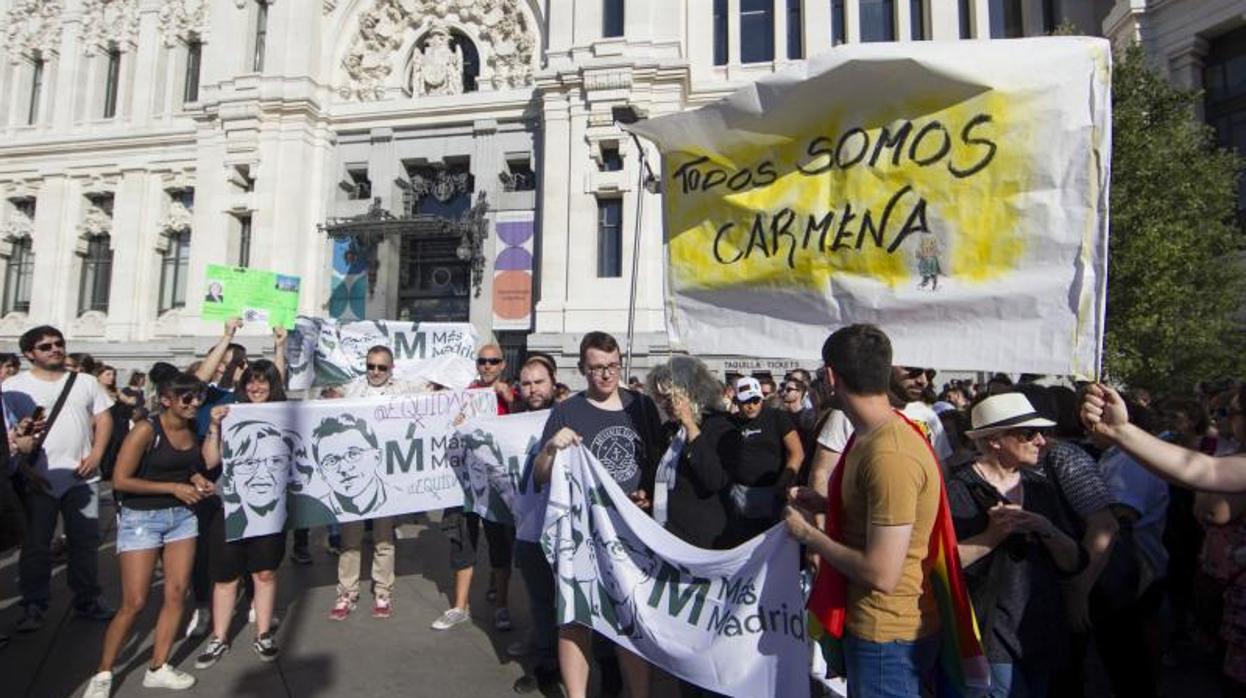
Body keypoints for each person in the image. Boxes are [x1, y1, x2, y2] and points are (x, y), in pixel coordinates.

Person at [784, 324, 942, 697]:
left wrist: (810, 535)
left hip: (888, 638)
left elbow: (882, 572)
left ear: (830, 377)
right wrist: (825, 505)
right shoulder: (869, 436)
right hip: (874, 631)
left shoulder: (890, 453)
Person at [534, 331, 663, 698]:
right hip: (581, 534)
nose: (605, 376)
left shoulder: (642, 406)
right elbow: (539, 476)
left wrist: (649, 495)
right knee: (576, 619)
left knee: (631, 619)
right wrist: (550, 448)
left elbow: (658, 464)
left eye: (611, 367)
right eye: (596, 369)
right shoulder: (566, 411)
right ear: (581, 370)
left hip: (631, 533)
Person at [82, 372, 212, 698]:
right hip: (143, 518)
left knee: (176, 592)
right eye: (187, 398)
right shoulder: (146, 430)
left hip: (183, 516)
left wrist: (196, 479)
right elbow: (121, 480)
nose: (195, 403)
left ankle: (158, 665)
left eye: (198, 397)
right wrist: (174, 487)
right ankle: (104, 671)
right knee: (135, 601)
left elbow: (187, 465)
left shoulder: (192, 427)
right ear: (166, 400)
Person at [947, 393, 1084, 697]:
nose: (1040, 441)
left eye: (1043, 433)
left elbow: (1073, 561)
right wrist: (992, 536)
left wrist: (1047, 529)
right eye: (1028, 433)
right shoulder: (957, 490)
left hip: (1040, 631)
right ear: (994, 440)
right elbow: (941, 563)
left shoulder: (1040, 488)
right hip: (987, 632)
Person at [4, 326, 115, 632]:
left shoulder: (85, 381)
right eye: (45, 346)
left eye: (58, 343)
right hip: (38, 479)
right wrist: (26, 470)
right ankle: (33, 604)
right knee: (36, 545)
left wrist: (96, 455)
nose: (54, 349)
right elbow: (9, 435)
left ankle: (87, 598)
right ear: (30, 354)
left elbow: (104, 419)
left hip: (83, 477)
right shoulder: (14, 386)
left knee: (85, 543)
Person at [195, 359, 290, 668]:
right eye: (250, 381)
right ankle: (219, 637)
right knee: (226, 576)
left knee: (264, 573)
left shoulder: (286, 415)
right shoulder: (229, 414)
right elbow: (210, 463)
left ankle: (263, 633)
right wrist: (213, 426)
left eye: (262, 382)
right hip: (232, 506)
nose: (255, 387)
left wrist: (279, 348)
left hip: (271, 510)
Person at [433, 343, 517, 631]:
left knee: (499, 542)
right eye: (482, 361)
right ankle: (460, 605)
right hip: (464, 482)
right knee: (462, 539)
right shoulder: (464, 394)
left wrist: (512, 402)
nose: (488, 366)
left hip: (495, 484)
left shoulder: (512, 395)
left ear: (503, 364)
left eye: (493, 361)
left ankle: (502, 604)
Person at [329, 345, 409, 621]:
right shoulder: (352, 389)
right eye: (370, 366)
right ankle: (347, 592)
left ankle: (383, 591)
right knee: (349, 539)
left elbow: (430, 403)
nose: (375, 372)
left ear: (391, 369)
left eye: (381, 367)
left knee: (383, 538)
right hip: (353, 478)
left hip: (385, 477)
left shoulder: (403, 390)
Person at [509, 353, 563, 694]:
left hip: (564, 529)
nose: (533, 389)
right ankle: (546, 662)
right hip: (527, 530)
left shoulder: (570, 416)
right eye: (526, 383)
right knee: (540, 601)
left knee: (570, 602)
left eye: (539, 382)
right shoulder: (508, 423)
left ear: (553, 383)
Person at [721, 376, 804, 546]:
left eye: (755, 400)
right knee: (744, 542)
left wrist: (783, 483)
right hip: (741, 494)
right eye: (746, 402)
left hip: (772, 492)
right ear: (736, 401)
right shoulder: (729, 423)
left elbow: (797, 452)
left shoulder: (777, 417)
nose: (751, 406)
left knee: (773, 544)